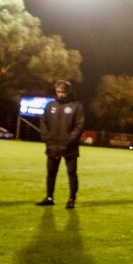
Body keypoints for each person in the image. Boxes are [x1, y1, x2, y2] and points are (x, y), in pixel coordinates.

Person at [36, 80, 84, 209]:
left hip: (69, 147)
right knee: (51, 173)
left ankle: (71, 199)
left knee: (71, 173)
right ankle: (49, 197)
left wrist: (69, 140)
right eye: (58, 92)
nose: (61, 94)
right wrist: (46, 137)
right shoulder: (50, 105)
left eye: (63, 92)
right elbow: (43, 122)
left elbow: (80, 125)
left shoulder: (76, 106)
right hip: (52, 146)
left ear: (68, 92)